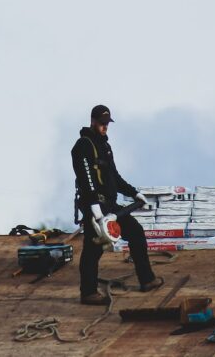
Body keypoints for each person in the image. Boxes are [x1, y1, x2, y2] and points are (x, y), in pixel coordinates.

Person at [71, 104, 164, 305]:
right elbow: (86, 179)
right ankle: (88, 293)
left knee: (136, 233)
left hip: (111, 206)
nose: (105, 127)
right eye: (102, 124)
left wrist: (134, 193)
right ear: (93, 121)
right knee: (93, 249)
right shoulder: (83, 146)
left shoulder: (105, 146)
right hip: (95, 208)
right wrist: (95, 209)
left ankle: (147, 280)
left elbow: (114, 177)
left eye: (107, 124)